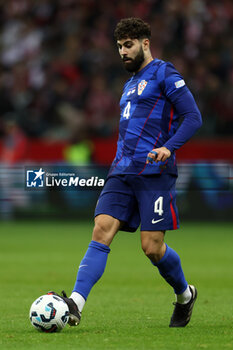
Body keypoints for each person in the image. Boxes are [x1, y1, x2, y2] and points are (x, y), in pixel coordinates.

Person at [49, 17, 202, 328]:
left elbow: (193, 117)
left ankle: (185, 295)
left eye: (128, 45)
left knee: (152, 247)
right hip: (121, 171)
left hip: (155, 172)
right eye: (119, 46)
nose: (122, 52)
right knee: (102, 228)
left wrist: (169, 147)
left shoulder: (164, 73)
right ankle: (75, 304)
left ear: (145, 43)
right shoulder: (129, 84)